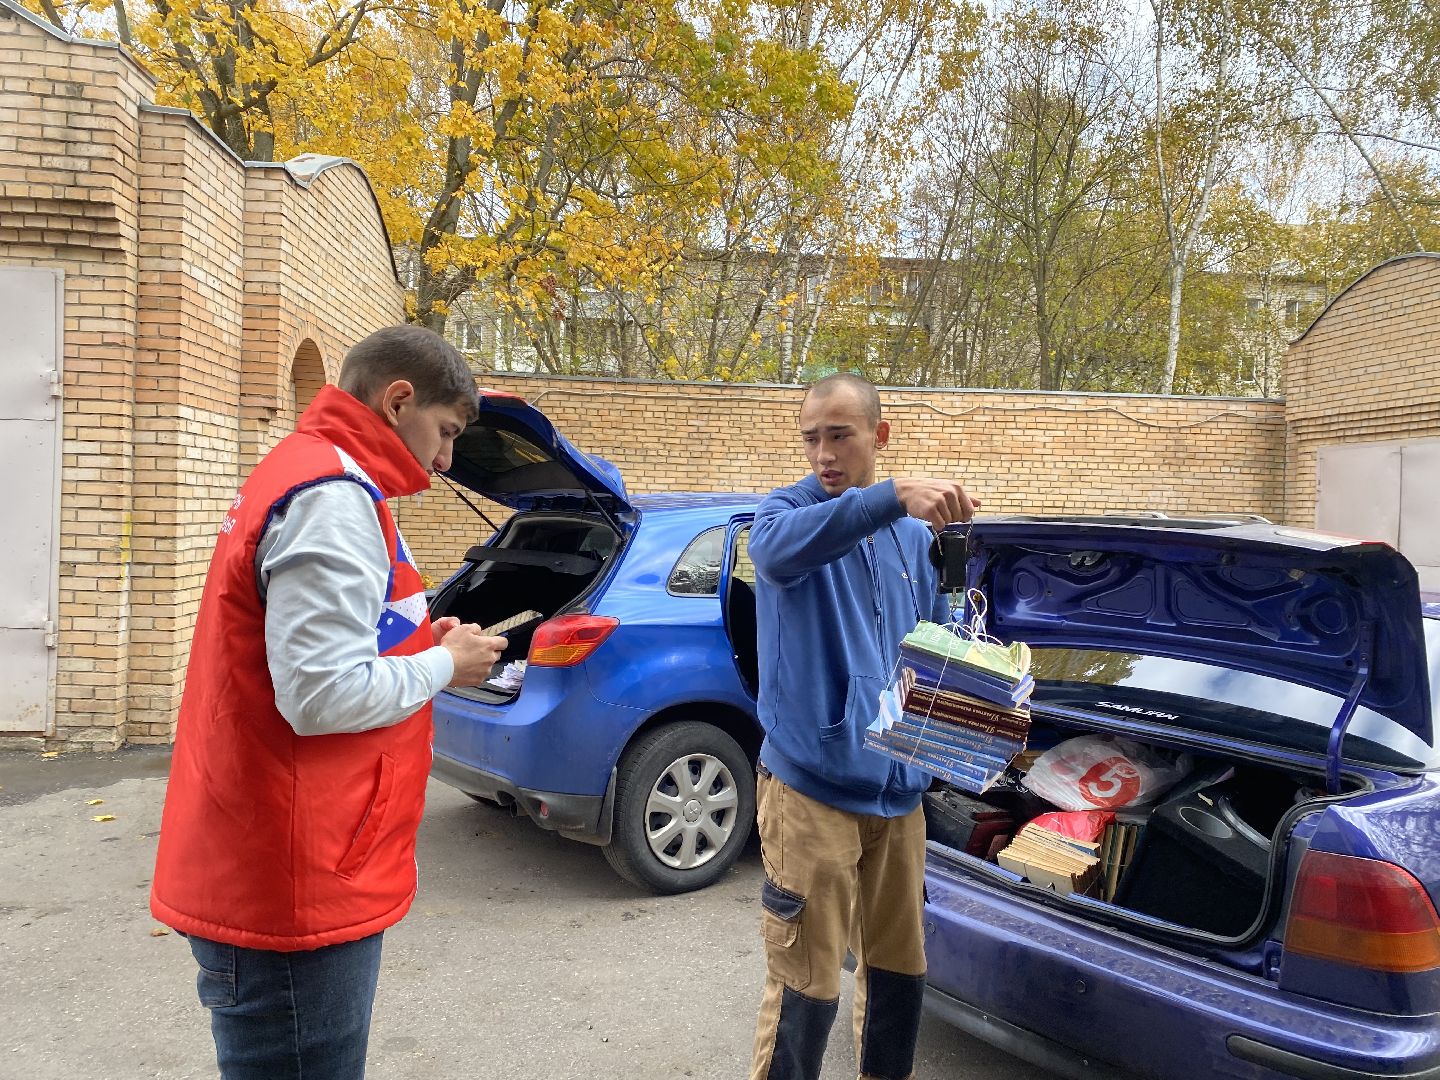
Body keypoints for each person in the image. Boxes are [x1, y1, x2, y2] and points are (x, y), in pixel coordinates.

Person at [150, 324, 508, 1080]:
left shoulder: (318, 474)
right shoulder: (334, 498)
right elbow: (319, 694)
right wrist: (444, 665)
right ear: (398, 398)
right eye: (444, 433)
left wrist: (419, 641)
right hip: (293, 887)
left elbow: (333, 637)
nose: (446, 461)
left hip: (295, 860)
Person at [747, 373, 978, 1080]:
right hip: (811, 793)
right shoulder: (786, 515)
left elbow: (932, 649)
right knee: (806, 985)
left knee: (898, 977)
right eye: (812, 437)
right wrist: (889, 496)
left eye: (840, 435)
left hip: (898, 795)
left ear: (878, 436)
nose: (824, 452)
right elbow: (779, 553)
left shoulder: (912, 539)